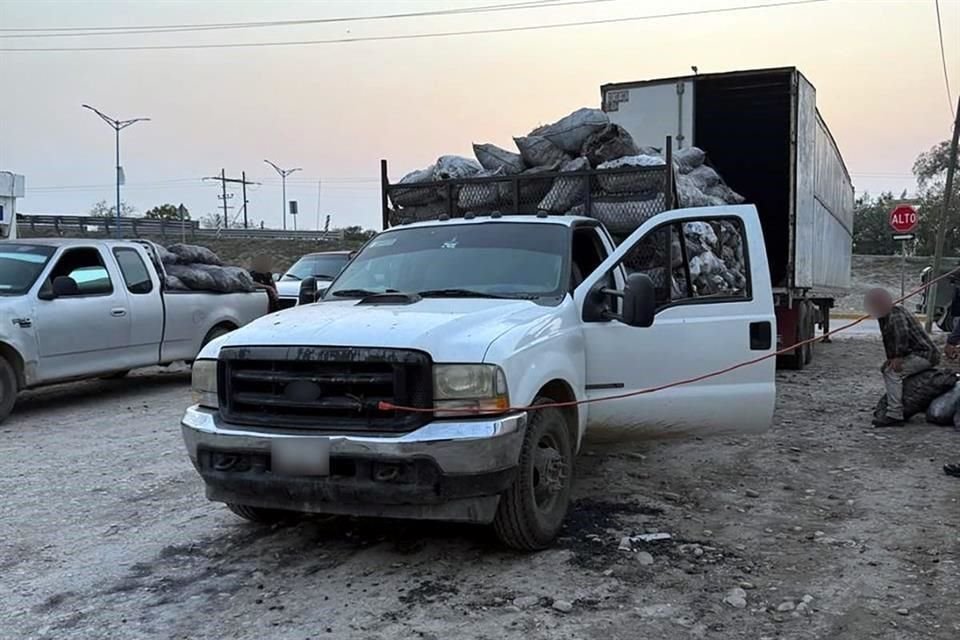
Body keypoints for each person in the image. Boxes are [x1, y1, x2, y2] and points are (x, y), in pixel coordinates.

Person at [865, 288, 939, 427]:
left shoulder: (895, 313)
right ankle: (898, 406)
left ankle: (895, 414)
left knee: (892, 373)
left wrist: (898, 356)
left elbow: (901, 333)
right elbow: (890, 340)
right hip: (917, 353)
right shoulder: (886, 314)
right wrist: (891, 358)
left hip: (924, 354)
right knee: (888, 369)